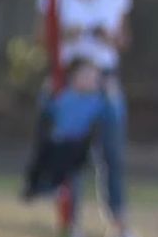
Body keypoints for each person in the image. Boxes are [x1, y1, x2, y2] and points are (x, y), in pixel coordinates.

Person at [34, 0, 142, 237]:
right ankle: (71, 226)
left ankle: (119, 228)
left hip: (104, 81)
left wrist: (111, 37)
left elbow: (124, 39)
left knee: (112, 155)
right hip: (69, 81)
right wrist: (75, 32)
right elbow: (41, 38)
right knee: (70, 157)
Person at [23, 58, 111, 204]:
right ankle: (32, 188)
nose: (90, 81)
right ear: (73, 78)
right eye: (85, 76)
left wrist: (109, 95)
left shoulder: (97, 101)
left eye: (93, 78)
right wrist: (46, 92)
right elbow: (48, 110)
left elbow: (106, 117)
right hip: (57, 141)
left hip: (77, 145)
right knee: (41, 155)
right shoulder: (65, 96)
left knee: (64, 159)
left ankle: (53, 186)